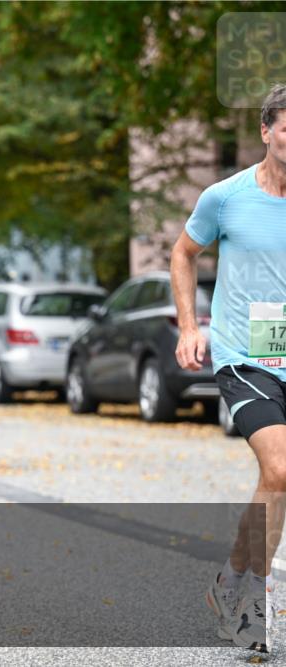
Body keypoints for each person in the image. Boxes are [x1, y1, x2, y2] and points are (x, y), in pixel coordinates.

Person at [172, 84, 286, 654]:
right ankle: (253, 609)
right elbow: (183, 253)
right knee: (282, 468)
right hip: (245, 356)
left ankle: (230, 580)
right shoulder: (226, 197)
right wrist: (191, 328)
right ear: (266, 132)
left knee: (276, 483)